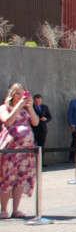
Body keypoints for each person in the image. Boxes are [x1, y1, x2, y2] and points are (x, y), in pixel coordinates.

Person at [0, 83, 39, 219]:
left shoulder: (26, 109)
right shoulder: (4, 108)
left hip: (25, 151)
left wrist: (30, 107)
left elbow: (35, 122)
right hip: (10, 150)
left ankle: (15, 209)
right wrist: (18, 106)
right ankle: (3, 209)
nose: (21, 96)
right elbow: (8, 122)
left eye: (23, 94)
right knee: (7, 178)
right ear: (12, 95)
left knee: (20, 179)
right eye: (18, 94)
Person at [31, 94, 52, 162]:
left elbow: (50, 117)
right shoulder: (31, 107)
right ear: (34, 101)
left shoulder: (45, 107)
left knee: (41, 146)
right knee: (32, 146)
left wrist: (46, 119)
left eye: (39, 101)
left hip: (42, 129)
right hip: (34, 129)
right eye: (37, 102)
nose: (38, 103)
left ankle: (41, 161)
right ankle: (33, 161)